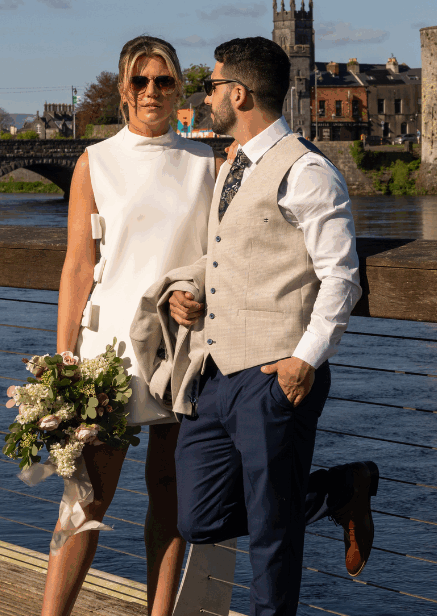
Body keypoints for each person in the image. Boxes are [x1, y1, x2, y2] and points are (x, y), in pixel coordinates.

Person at [153, 36, 378, 616]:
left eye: (212, 85)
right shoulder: (231, 165)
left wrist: (306, 359)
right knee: (198, 516)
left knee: (273, 545)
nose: (206, 96)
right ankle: (337, 490)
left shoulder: (307, 172)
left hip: (277, 374)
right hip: (216, 374)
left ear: (239, 92)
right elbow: (229, 252)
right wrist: (190, 286)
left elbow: (342, 277)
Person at [44, 35, 219, 616]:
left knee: (169, 497)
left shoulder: (207, 163)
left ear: (178, 90)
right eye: (139, 81)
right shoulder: (96, 161)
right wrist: (63, 359)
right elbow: (77, 265)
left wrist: (195, 290)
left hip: (180, 347)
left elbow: (217, 256)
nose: (151, 92)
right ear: (122, 90)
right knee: (86, 498)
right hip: (108, 351)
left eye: (163, 81)